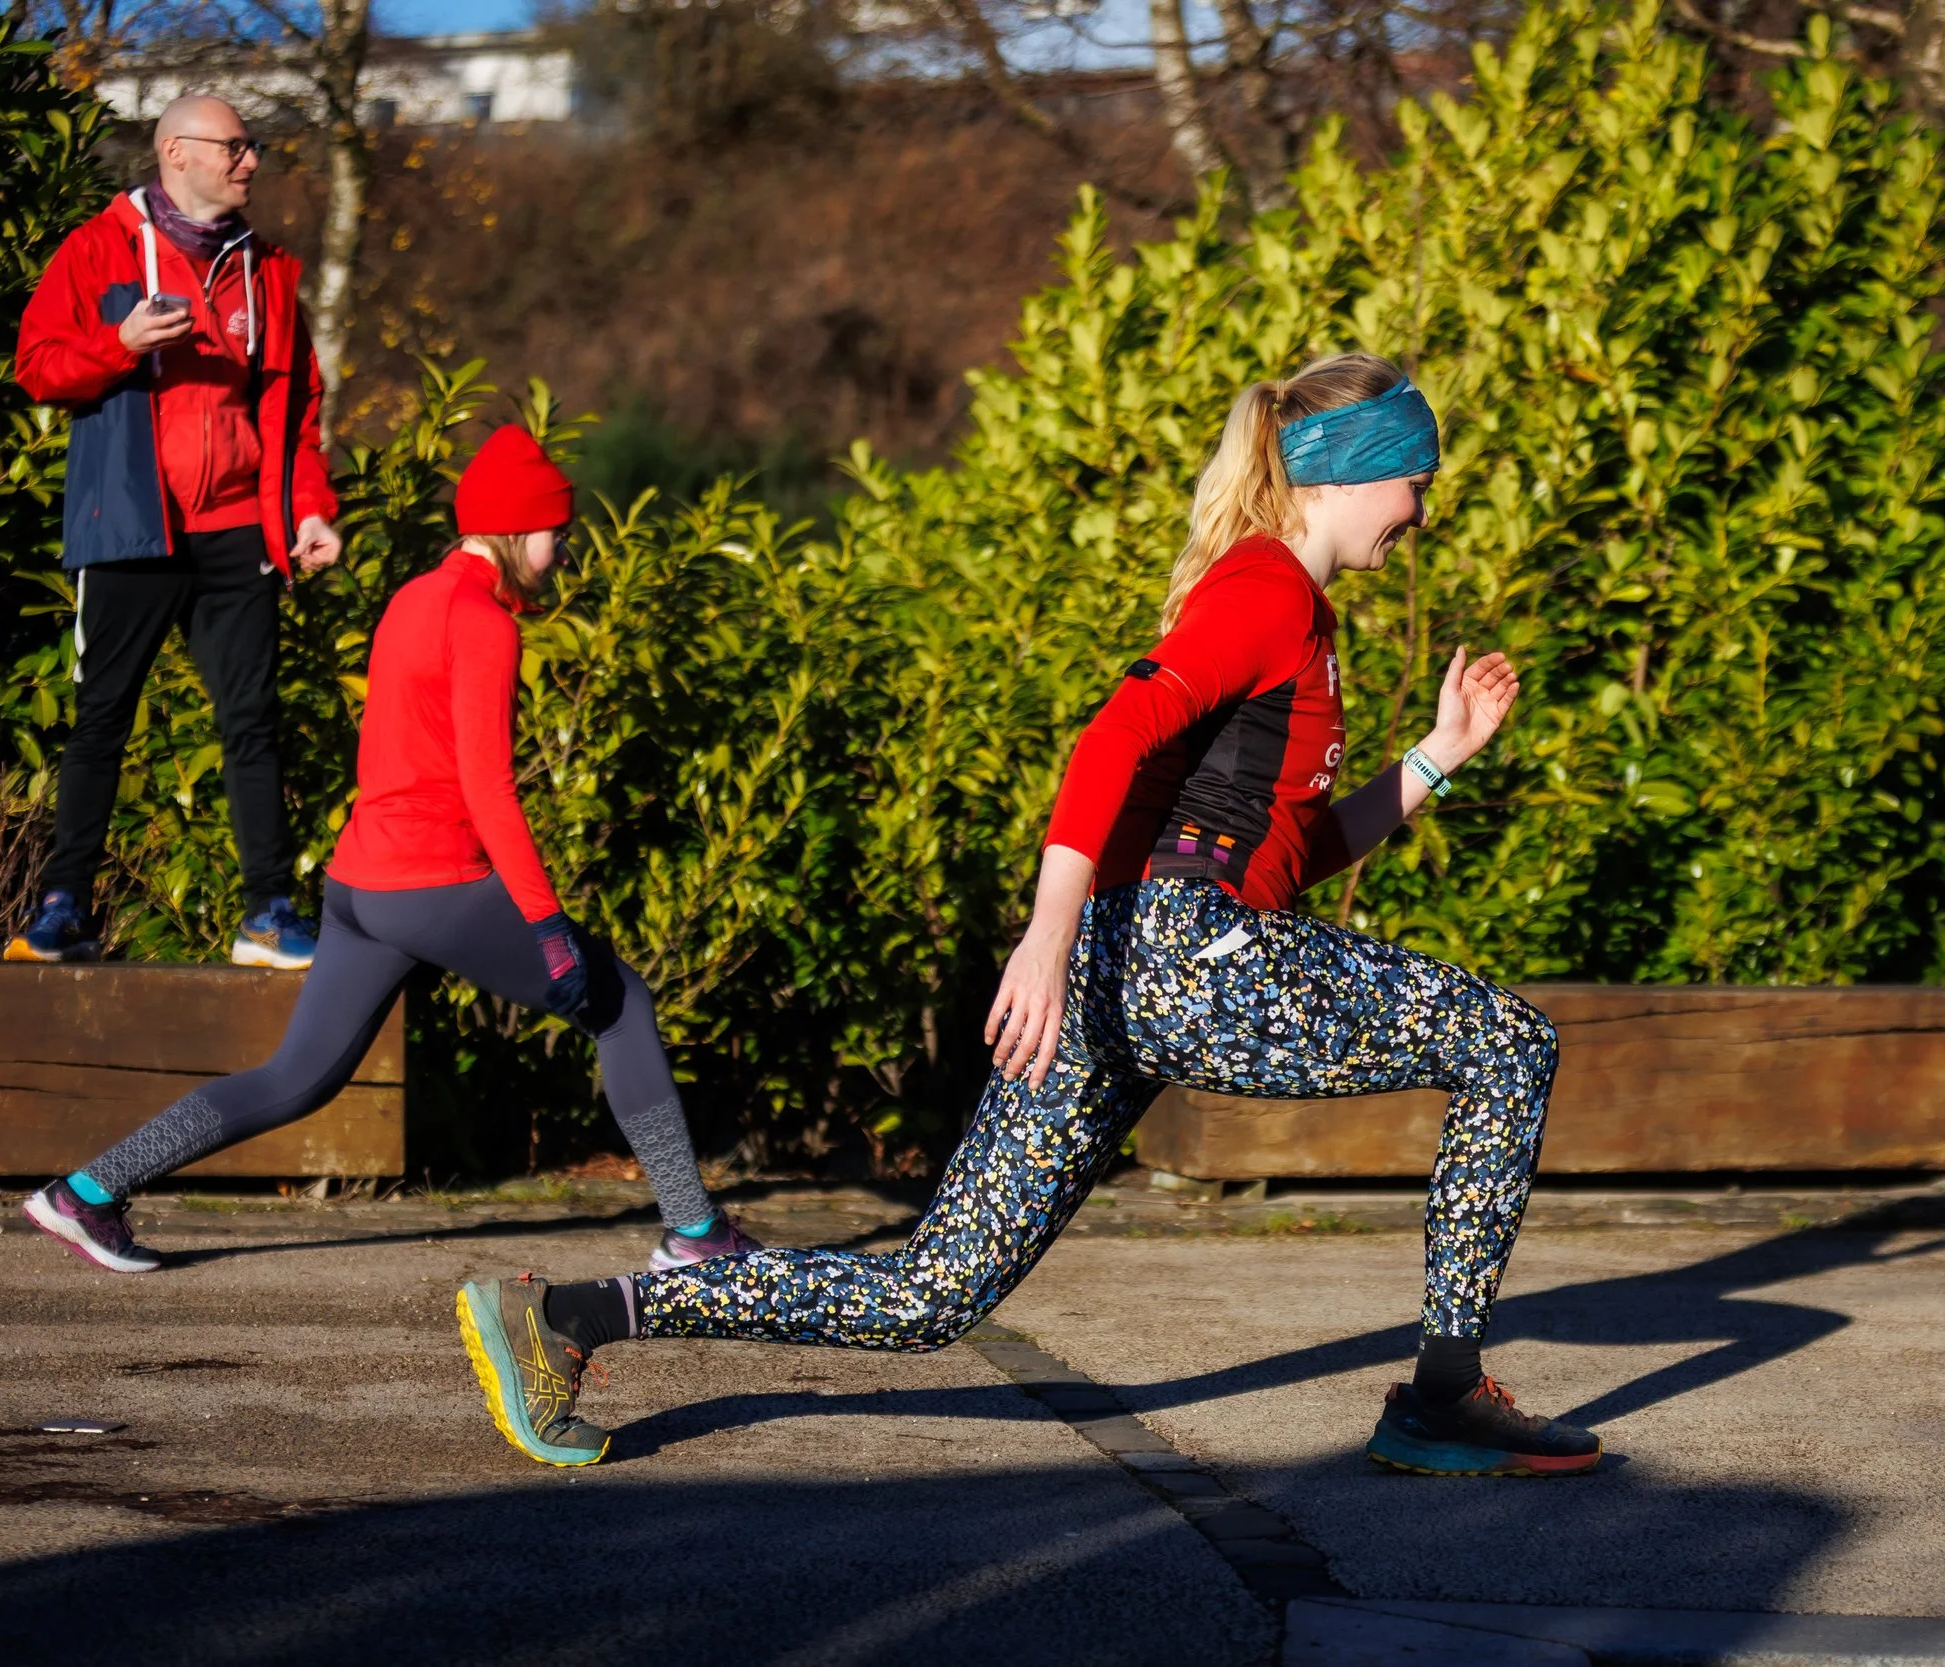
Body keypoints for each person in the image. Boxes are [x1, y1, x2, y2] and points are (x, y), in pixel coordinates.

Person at [450, 353, 1603, 1477]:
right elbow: (1111, 736)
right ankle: (1446, 1394)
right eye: (1417, 479)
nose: (1421, 509)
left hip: (1135, 961)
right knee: (1510, 1040)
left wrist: (1439, 755)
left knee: (928, 1292)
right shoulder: (1266, 593)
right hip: (1178, 958)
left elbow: (1289, 858)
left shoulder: (1281, 606)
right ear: (1350, 473)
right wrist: (1043, 941)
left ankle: (565, 1314)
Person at [22, 426, 760, 1277]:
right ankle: (696, 1235)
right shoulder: (484, 623)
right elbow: (490, 791)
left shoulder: (413, 598)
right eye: (558, 534)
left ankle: (90, 1190)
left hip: (358, 884)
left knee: (297, 1076)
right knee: (620, 1000)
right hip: (429, 882)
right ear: (519, 532)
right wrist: (546, 919)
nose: (563, 554)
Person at [7, 95, 340, 970]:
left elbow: (296, 406)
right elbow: (36, 366)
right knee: (101, 719)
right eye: (235, 148)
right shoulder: (98, 248)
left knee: (251, 723)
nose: (251, 163)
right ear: (177, 154)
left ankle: (268, 912)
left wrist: (308, 506)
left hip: (237, 528)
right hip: (131, 523)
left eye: (252, 148)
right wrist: (117, 343)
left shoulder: (267, 270)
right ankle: (63, 907)